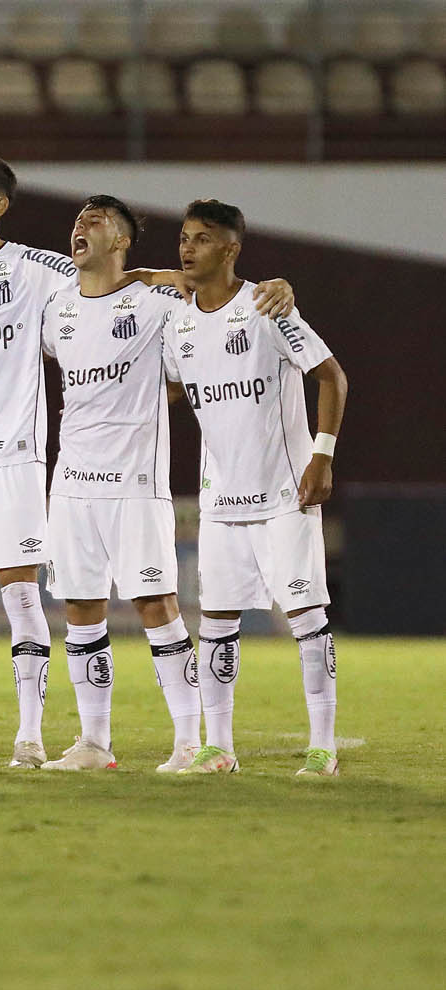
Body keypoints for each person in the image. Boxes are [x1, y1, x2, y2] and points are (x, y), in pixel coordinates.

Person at [0, 153, 294, 770]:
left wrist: (266, 286)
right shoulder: (45, 306)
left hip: (65, 468)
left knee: (140, 605)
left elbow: (187, 294)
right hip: (22, 472)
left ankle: (147, 742)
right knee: (48, 607)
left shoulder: (61, 279)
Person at [162, 200, 348, 778]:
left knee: (307, 620)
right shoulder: (180, 323)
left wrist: (322, 455)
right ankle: (218, 748)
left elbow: (331, 377)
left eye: (203, 239)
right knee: (216, 622)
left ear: (231, 248)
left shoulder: (268, 305)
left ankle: (323, 747)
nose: (188, 248)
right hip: (220, 500)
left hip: (284, 494)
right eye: (185, 237)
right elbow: (171, 392)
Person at [37, 195, 200, 772]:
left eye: (95, 221)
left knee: (156, 603)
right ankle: (93, 743)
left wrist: (145, 406)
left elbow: (193, 369)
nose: (80, 227)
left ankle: (189, 742)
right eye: (77, 219)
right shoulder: (57, 308)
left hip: (134, 483)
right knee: (81, 606)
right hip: (72, 482)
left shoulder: (159, 303)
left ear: (123, 240)